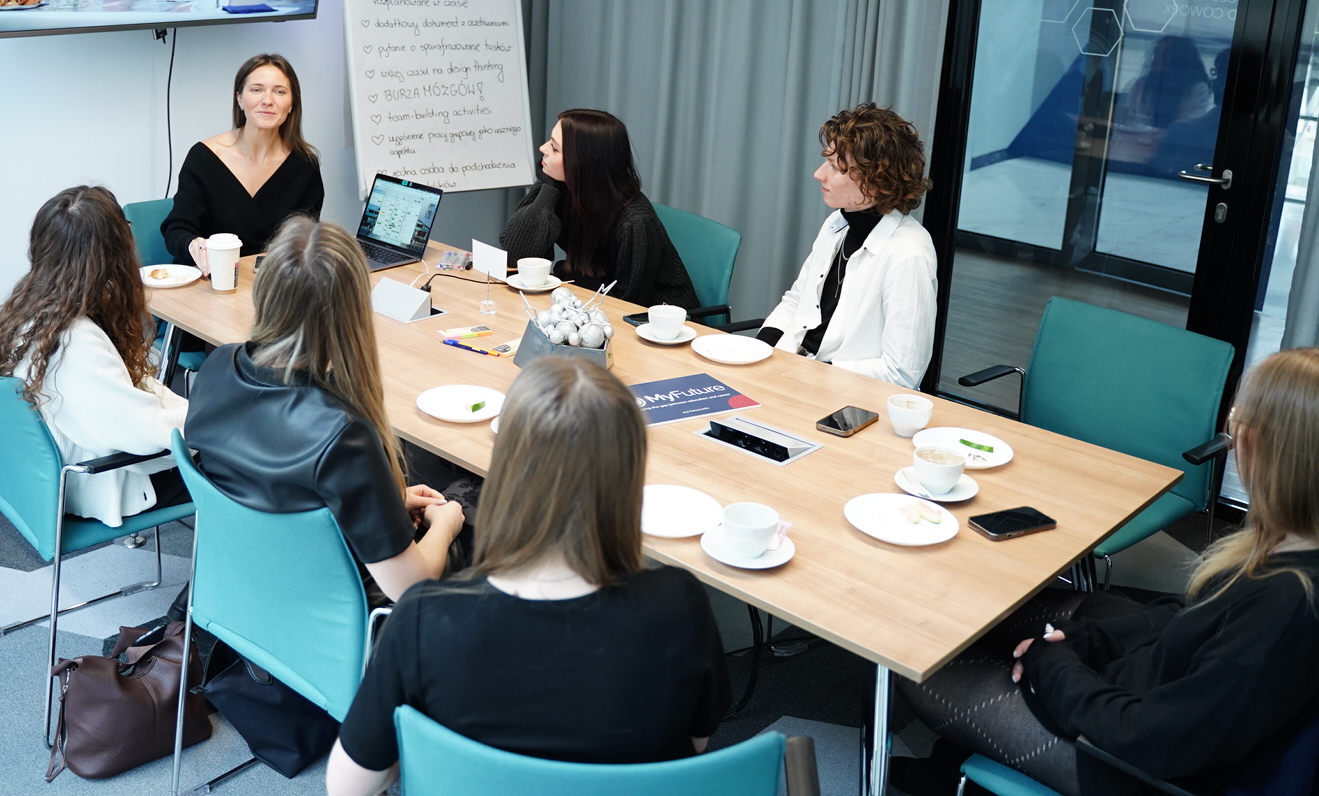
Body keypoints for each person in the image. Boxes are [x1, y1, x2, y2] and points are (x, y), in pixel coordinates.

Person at [895, 347, 1319, 796]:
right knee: (995, 607)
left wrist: (1051, 664)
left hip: (1125, 764)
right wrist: (1083, 640)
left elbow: (1152, 738)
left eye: (1238, 422)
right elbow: (1189, 617)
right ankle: (956, 759)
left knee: (916, 661)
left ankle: (953, 771)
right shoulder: (1290, 544)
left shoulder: (1283, 607)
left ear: (1273, 451)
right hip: (1145, 684)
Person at [325, 356, 731, 796]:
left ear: (507, 466)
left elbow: (350, 787)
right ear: (630, 474)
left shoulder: (423, 619)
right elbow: (694, 744)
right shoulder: (682, 604)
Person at [182, 216, 464, 603]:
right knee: (473, 531)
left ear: (265, 292)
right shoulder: (344, 435)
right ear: (352, 315)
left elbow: (271, 487)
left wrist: (385, 500)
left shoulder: (218, 365)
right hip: (328, 612)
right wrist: (446, 525)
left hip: (241, 588)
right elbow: (408, 586)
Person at [0, 185, 187, 527]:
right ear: (113, 254)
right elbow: (144, 435)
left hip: (39, 476)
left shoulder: (33, 307)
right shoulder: (75, 340)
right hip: (100, 482)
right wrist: (209, 423)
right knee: (239, 468)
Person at [756, 103, 936, 388]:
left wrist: (811, 376)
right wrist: (760, 351)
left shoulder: (908, 255)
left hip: (842, 392)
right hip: (793, 370)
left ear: (875, 180)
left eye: (835, 166)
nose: (819, 174)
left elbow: (902, 373)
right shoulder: (837, 223)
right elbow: (797, 301)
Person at [500, 109, 697, 309]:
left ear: (583, 162)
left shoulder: (635, 223)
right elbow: (517, 258)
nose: (542, 148)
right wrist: (548, 188)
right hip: (590, 302)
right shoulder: (563, 187)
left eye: (555, 148)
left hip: (661, 319)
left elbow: (628, 305)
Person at [162, 53, 325, 271]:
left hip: (274, 281)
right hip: (211, 278)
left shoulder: (305, 165)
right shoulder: (204, 157)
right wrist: (194, 245)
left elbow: (305, 240)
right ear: (239, 99)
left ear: (292, 104)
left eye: (279, 92)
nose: (267, 100)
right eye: (256, 90)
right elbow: (177, 229)